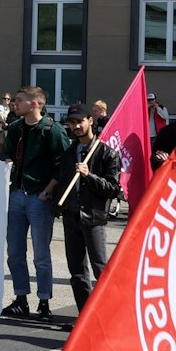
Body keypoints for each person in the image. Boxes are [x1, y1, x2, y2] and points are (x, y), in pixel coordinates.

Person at [0, 87, 69, 323]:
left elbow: (63, 165)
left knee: (41, 254)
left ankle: (44, 301)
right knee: (15, 252)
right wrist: (7, 162)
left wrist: (47, 192)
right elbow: (7, 153)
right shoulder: (16, 128)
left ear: (34, 104)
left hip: (38, 196)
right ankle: (21, 299)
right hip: (17, 193)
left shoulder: (52, 130)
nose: (14, 103)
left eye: (19, 100)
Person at [53, 103, 121, 323]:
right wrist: (58, 204)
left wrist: (89, 176)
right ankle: (85, 319)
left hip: (94, 218)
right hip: (72, 217)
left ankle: (110, 318)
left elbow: (113, 188)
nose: (76, 126)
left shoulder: (106, 153)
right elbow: (63, 181)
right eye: (72, 123)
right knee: (77, 271)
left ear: (90, 121)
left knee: (100, 268)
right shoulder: (69, 152)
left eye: (80, 121)